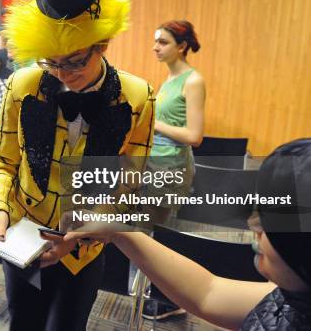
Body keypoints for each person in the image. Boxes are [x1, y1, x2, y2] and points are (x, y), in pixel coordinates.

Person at [0, 0, 154, 330]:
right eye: (50, 62)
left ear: (102, 44)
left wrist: (78, 237)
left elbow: (129, 182)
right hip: (22, 241)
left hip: (86, 252)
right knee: (22, 321)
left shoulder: (137, 96)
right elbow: (3, 161)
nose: (61, 75)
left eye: (74, 62)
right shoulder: (22, 86)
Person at [66, 138, 311, 330]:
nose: (253, 225)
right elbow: (207, 292)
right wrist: (118, 232)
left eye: (268, 220)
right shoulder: (292, 295)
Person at [143, 19, 206, 320]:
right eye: (155, 41)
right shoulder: (167, 80)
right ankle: (156, 294)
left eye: (163, 41)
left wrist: (152, 122)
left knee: (159, 236)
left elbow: (194, 135)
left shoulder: (193, 81)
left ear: (181, 46)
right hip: (153, 164)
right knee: (147, 231)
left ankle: (169, 300)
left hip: (172, 168)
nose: (155, 47)